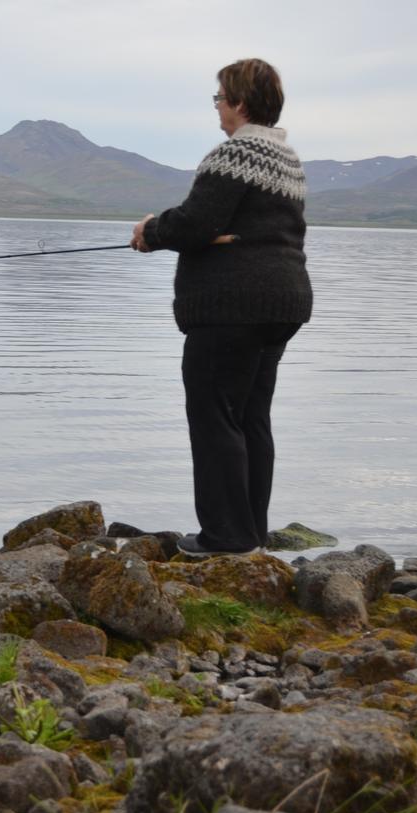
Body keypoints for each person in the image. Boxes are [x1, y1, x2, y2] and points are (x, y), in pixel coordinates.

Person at [130, 58, 312, 557]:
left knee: (215, 415)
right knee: (251, 416)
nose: (216, 107)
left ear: (239, 102)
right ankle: (251, 533)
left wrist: (151, 230)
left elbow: (195, 224)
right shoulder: (287, 160)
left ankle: (226, 537)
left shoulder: (235, 154)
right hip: (283, 306)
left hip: (232, 308)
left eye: (219, 98)